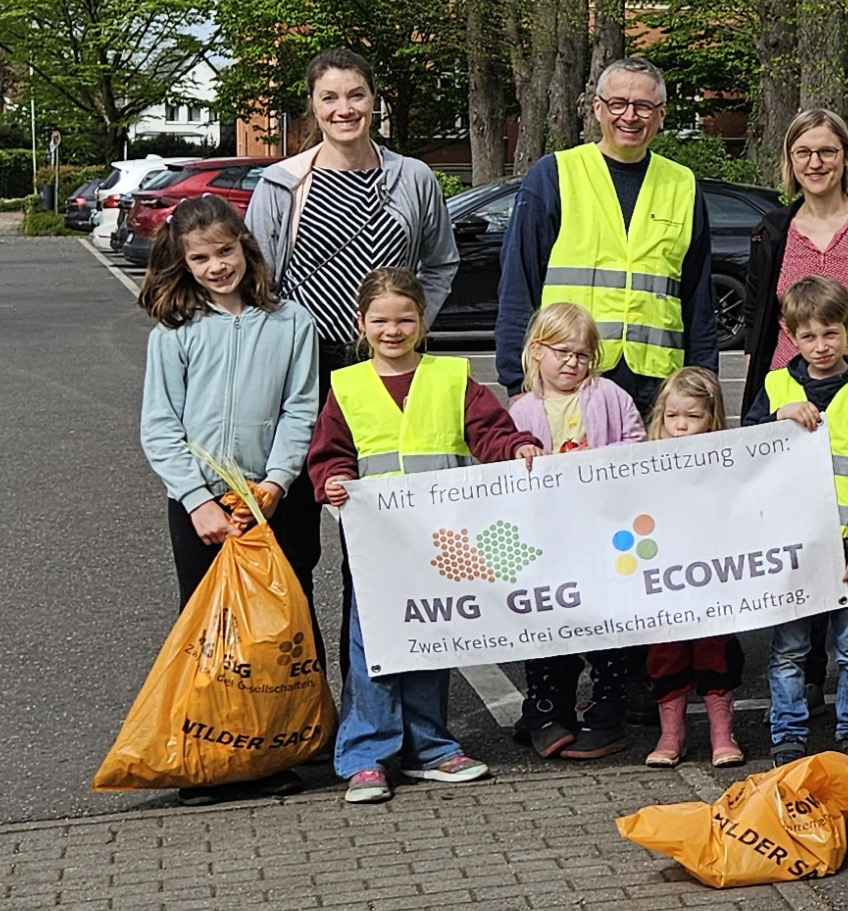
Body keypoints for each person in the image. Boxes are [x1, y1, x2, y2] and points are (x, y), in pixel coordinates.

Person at [309, 268, 541, 804]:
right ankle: (367, 755)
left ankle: (429, 747)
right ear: (361, 322)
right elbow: (330, 452)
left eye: (406, 318)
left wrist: (517, 447)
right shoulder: (347, 386)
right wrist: (333, 480)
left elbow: (490, 431)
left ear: (423, 320)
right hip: (377, 543)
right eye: (381, 320)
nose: (394, 330)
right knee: (376, 646)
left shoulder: (451, 378)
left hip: (442, 539)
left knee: (433, 640)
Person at [248, 47, 458, 606]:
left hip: (382, 368)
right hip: (304, 372)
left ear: (374, 100)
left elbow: (440, 262)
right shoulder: (281, 184)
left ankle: (372, 685)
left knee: (378, 530)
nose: (345, 108)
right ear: (313, 107)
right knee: (294, 533)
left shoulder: (412, 178)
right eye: (330, 98)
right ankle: (304, 684)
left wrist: (411, 328)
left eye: (356, 95)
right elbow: (257, 282)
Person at [137, 195, 321, 804]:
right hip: (204, 505)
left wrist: (276, 482)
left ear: (245, 244)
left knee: (278, 628)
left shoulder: (292, 322)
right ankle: (212, 756)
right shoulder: (175, 331)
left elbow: (301, 408)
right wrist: (196, 499)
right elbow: (161, 426)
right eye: (200, 258)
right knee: (210, 629)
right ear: (182, 263)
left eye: (224, 251)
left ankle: (277, 748)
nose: (217, 266)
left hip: (274, 498)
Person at [497, 57, 719, 411]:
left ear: (661, 115)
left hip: (659, 388)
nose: (629, 116)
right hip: (569, 380)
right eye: (618, 104)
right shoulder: (554, 175)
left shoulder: (683, 185)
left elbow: (699, 300)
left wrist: (704, 385)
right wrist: (516, 383)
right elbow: (518, 284)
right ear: (597, 108)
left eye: (643, 106)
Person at [744, 276, 848, 767]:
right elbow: (743, 453)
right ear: (791, 335)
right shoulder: (776, 387)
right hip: (793, 544)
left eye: (831, 333)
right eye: (808, 336)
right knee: (790, 647)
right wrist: (776, 416)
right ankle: (788, 731)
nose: (821, 345)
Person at [507, 302, 647, 760]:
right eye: (562, 352)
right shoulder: (521, 410)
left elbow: (635, 445)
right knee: (547, 623)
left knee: (604, 627)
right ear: (536, 352)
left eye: (583, 355)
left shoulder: (610, 396)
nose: (572, 362)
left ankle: (607, 716)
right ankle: (547, 713)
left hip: (601, 535)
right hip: (545, 540)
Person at [741, 108, 848, 419]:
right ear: (790, 161)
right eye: (803, 153)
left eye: (827, 152)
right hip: (789, 397)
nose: (815, 163)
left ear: (846, 157)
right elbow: (756, 320)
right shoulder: (772, 232)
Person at [643, 366, 746, 768]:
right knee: (665, 653)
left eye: (693, 416)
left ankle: (723, 734)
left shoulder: (726, 461)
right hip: (663, 580)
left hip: (712, 580)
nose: (681, 425)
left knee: (715, 649)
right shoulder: (643, 460)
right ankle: (672, 735)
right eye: (673, 416)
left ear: (712, 418)